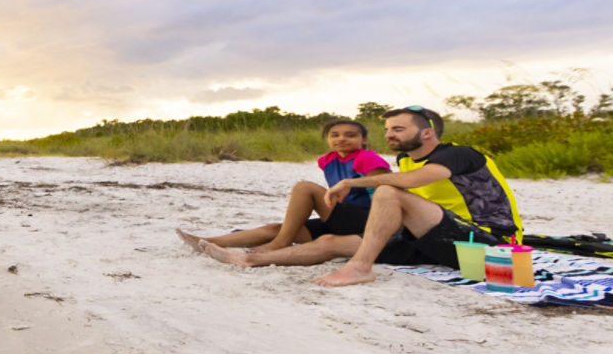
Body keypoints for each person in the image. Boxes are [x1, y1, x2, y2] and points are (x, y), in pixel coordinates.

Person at [197, 107, 521, 287]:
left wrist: (351, 182)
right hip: (439, 246)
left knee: (388, 191)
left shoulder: (460, 154)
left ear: (427, 133)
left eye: (398, 129)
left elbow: (413, 181)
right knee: (329, 243)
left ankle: (360, 268)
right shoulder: (406, 160)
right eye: (389, 129)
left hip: (491, 249)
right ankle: (250, 258)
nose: (390, 135)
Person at [177, 119, 390, 253]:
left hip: (367, 221)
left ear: (364, 140)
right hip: (341, 219)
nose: (341, 139)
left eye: (350, 135)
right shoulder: (327, 160)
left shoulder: (367, 158)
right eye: (335, 135)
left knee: (304, 188)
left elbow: (386, 189)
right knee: (277, 228)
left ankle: (280, 244)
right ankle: (210, 242)